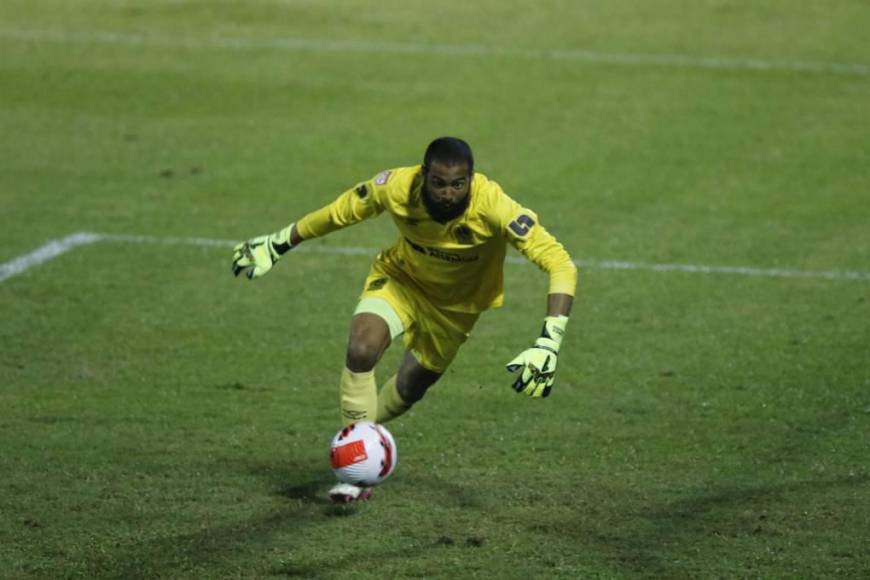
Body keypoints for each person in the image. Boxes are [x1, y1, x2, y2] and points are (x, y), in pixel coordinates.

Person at [232, 137, 577, 502]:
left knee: (411, 388)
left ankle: (359, 445)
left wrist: (548, 342)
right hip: (401, 281)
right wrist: (279, 242)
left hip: (455, 310)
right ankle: (357, 469)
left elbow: (560, 263)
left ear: (471, 180)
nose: (447, 193)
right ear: (424, 175)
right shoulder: (397, 186)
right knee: (362, 347)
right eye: (438, 183)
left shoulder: (493, 206)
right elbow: (341, 211)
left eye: (458, 185)